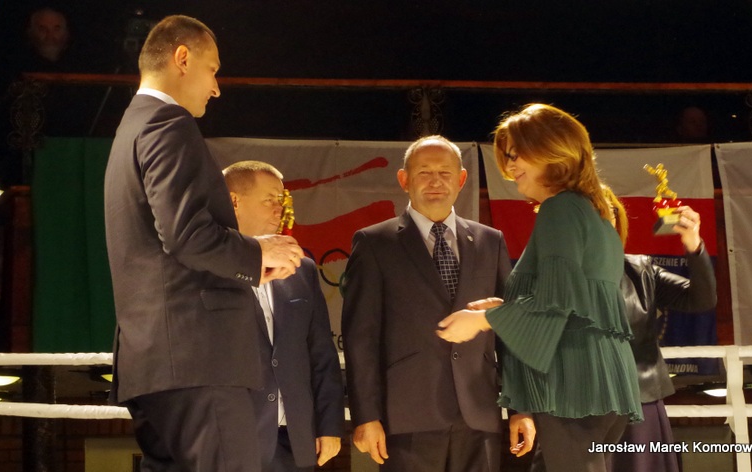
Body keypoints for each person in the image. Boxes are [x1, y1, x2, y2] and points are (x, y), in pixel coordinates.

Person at [104, 15, 303, 471]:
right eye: (212, 70)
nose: (216, 88)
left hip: (154, 359)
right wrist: (259, 251)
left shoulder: (131, 127)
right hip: (198, 360)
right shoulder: (168, 123)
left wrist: (252, 262)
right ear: (182, 58)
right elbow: (187, 235)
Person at [437, 104, 642, 472]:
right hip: (601, 381)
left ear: (550, 149)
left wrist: (484, 320)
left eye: (516, 154)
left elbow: (557, 300)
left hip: (573, 384)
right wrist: (500, 308)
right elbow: (575, 299)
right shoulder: (597, 210)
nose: (510, 166)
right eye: (508, 156)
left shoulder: (560, 209)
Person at [341, 135, 513, 472]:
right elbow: (360, 338)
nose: (436, 181)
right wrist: (366, 416)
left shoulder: (490, 241)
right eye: (424, 172)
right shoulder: (374, 243)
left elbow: (510, 330)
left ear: (461, 180)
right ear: (404, 179)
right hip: (407, 417)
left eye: (445, 173)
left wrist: (522, 408)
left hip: (479, 413)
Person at [223, 160, 345, 471]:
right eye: (269, 200)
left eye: (281, 200)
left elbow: (321, 353)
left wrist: (329, 424)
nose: (279, 209)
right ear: (234, 201)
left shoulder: (301, 269)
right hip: (230, 439)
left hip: (295, 438)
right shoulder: (206, 268)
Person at [607, 189, 716, 472]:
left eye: (609, 212)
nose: (601, 219)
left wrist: (693, 243)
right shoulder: (558, 274)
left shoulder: (641, 269)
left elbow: (701, 299)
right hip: (579, 405)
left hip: (639, 400)